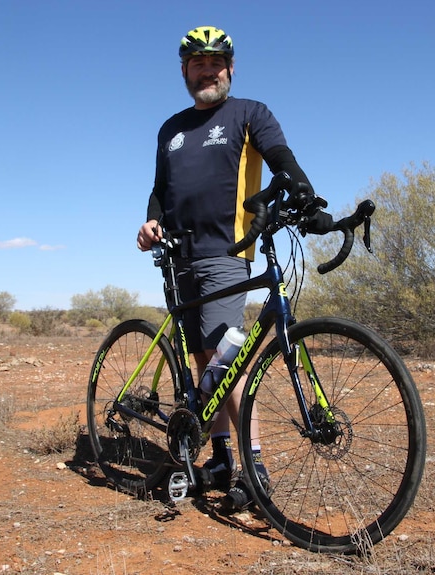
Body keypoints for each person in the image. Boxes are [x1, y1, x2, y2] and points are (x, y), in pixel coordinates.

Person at [136, 25, 320, 508]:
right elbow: (160, 189)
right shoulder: (170, 129)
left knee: (226, 359)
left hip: (226, 251)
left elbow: (280, 156)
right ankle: (219, 458)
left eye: (215, 63)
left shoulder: (248, 113)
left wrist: (301, 188)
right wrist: (151, 221)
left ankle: (252, 466)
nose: (207, 70)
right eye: (197, 64)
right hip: (179, 257)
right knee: (203, 362)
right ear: (184, 72)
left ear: (230, 68)